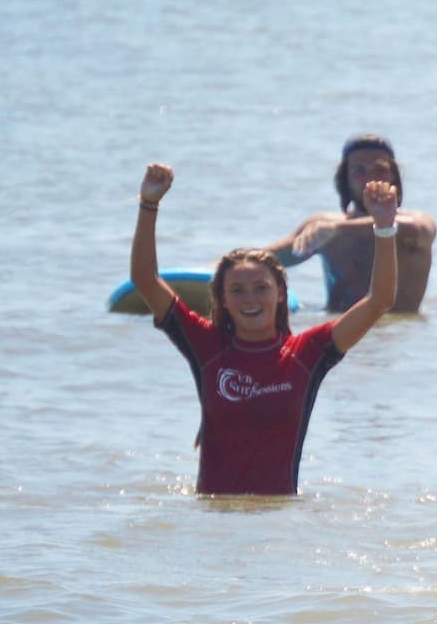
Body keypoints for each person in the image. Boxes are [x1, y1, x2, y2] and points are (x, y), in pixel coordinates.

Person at [132, 162, 399, 496]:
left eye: (261, 287)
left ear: (280, 294)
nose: (250, 299)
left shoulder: (307, 353)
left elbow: (379, 301)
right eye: (237, 291)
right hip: (213, 522)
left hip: (278, 524)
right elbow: (145, 279)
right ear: (223, 300)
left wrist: (384, 228)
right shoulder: (205, 345)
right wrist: (148, 204)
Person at [264, 134, 437, 313]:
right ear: (345, 179)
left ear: (393, 176)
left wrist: (338, 229)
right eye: (359, 171)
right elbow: (267, 261)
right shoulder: (321, 226)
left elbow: (415, 229)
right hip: (338, 329)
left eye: (380, 169)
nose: (371, 179)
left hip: (398, 331)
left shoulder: (415, 223)